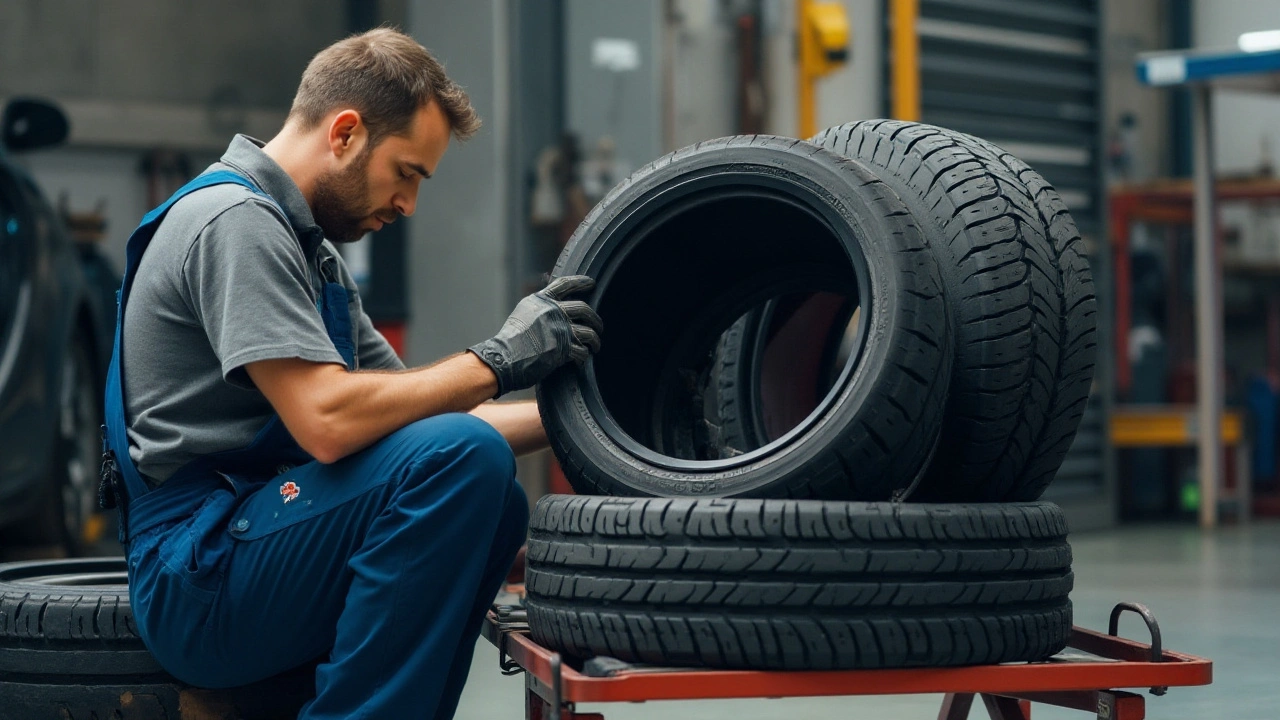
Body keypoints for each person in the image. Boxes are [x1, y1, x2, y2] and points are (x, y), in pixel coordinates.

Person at [101, 27, 602, 719]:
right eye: (407, 172)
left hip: (254, 536)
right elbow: (327, 422)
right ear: (344, 133)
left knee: (490, 497)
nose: (408, 205)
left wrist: (592, 421)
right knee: (464, 462)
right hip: (198, 573)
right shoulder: (234, 221)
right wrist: (496, 359)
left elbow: (429, 420)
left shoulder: (310, 253)